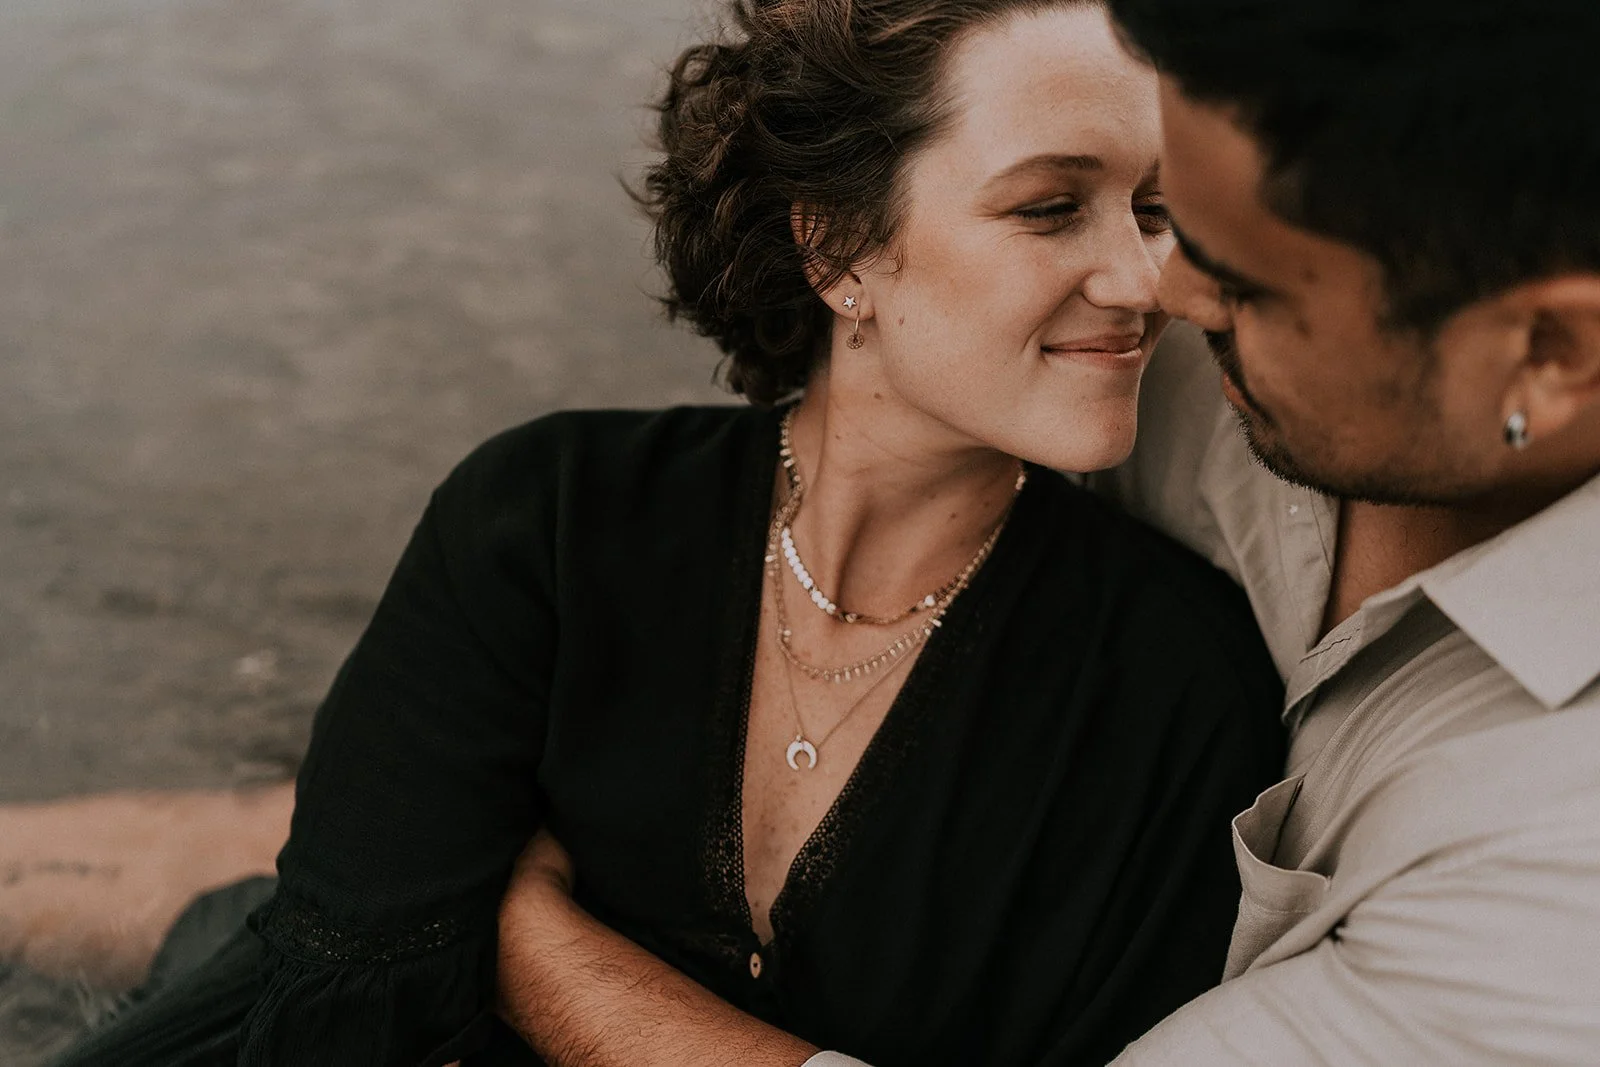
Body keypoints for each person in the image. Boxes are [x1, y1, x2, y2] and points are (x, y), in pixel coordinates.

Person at [42, 1, 1284, 1064]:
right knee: (179, 909)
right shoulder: (548, 520)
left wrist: (527, 933)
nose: (1145, 279)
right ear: (838, 242)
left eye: (1157, 210)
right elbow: (337, 1010)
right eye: (1051, 206)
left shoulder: (1176, 689)